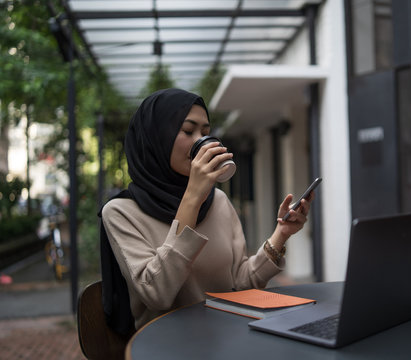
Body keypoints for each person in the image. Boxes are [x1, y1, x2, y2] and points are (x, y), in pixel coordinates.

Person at [100, 88, 313, 332]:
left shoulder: (218, 200)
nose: (201, 142)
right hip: (162, 345)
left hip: (226, 336)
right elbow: (157, 294)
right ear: (158, 138)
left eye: (205, 133)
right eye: (188, 131)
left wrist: (282, 233)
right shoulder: (121, 212)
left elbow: (242, 284)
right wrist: (192, 197)